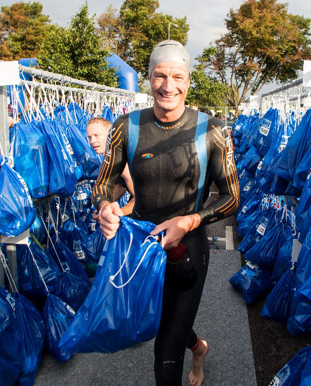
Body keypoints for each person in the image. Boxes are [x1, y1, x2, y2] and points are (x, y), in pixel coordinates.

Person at [93, 40, 239, 386]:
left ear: (189, 81)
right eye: (159, 76)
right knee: (162, 321)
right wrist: (104, 207)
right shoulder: (125, 127)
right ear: (148, 78)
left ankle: (188, 351)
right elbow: (104, 183)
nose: (168, 86)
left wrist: (190, 220)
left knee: (166, 350)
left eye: (177, 76)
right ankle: (198, 346)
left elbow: (232, 198)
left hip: (186, 249)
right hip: (142, 248)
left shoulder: (213, 131)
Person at [87, 116, 135, 216]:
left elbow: (141, 199)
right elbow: (123, 186)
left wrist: (116, 213)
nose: (92, 141)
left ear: (111, 135)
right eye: (89, 137)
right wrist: (104, 206)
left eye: (97, 135)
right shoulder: (109, 158)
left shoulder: (121, 162)